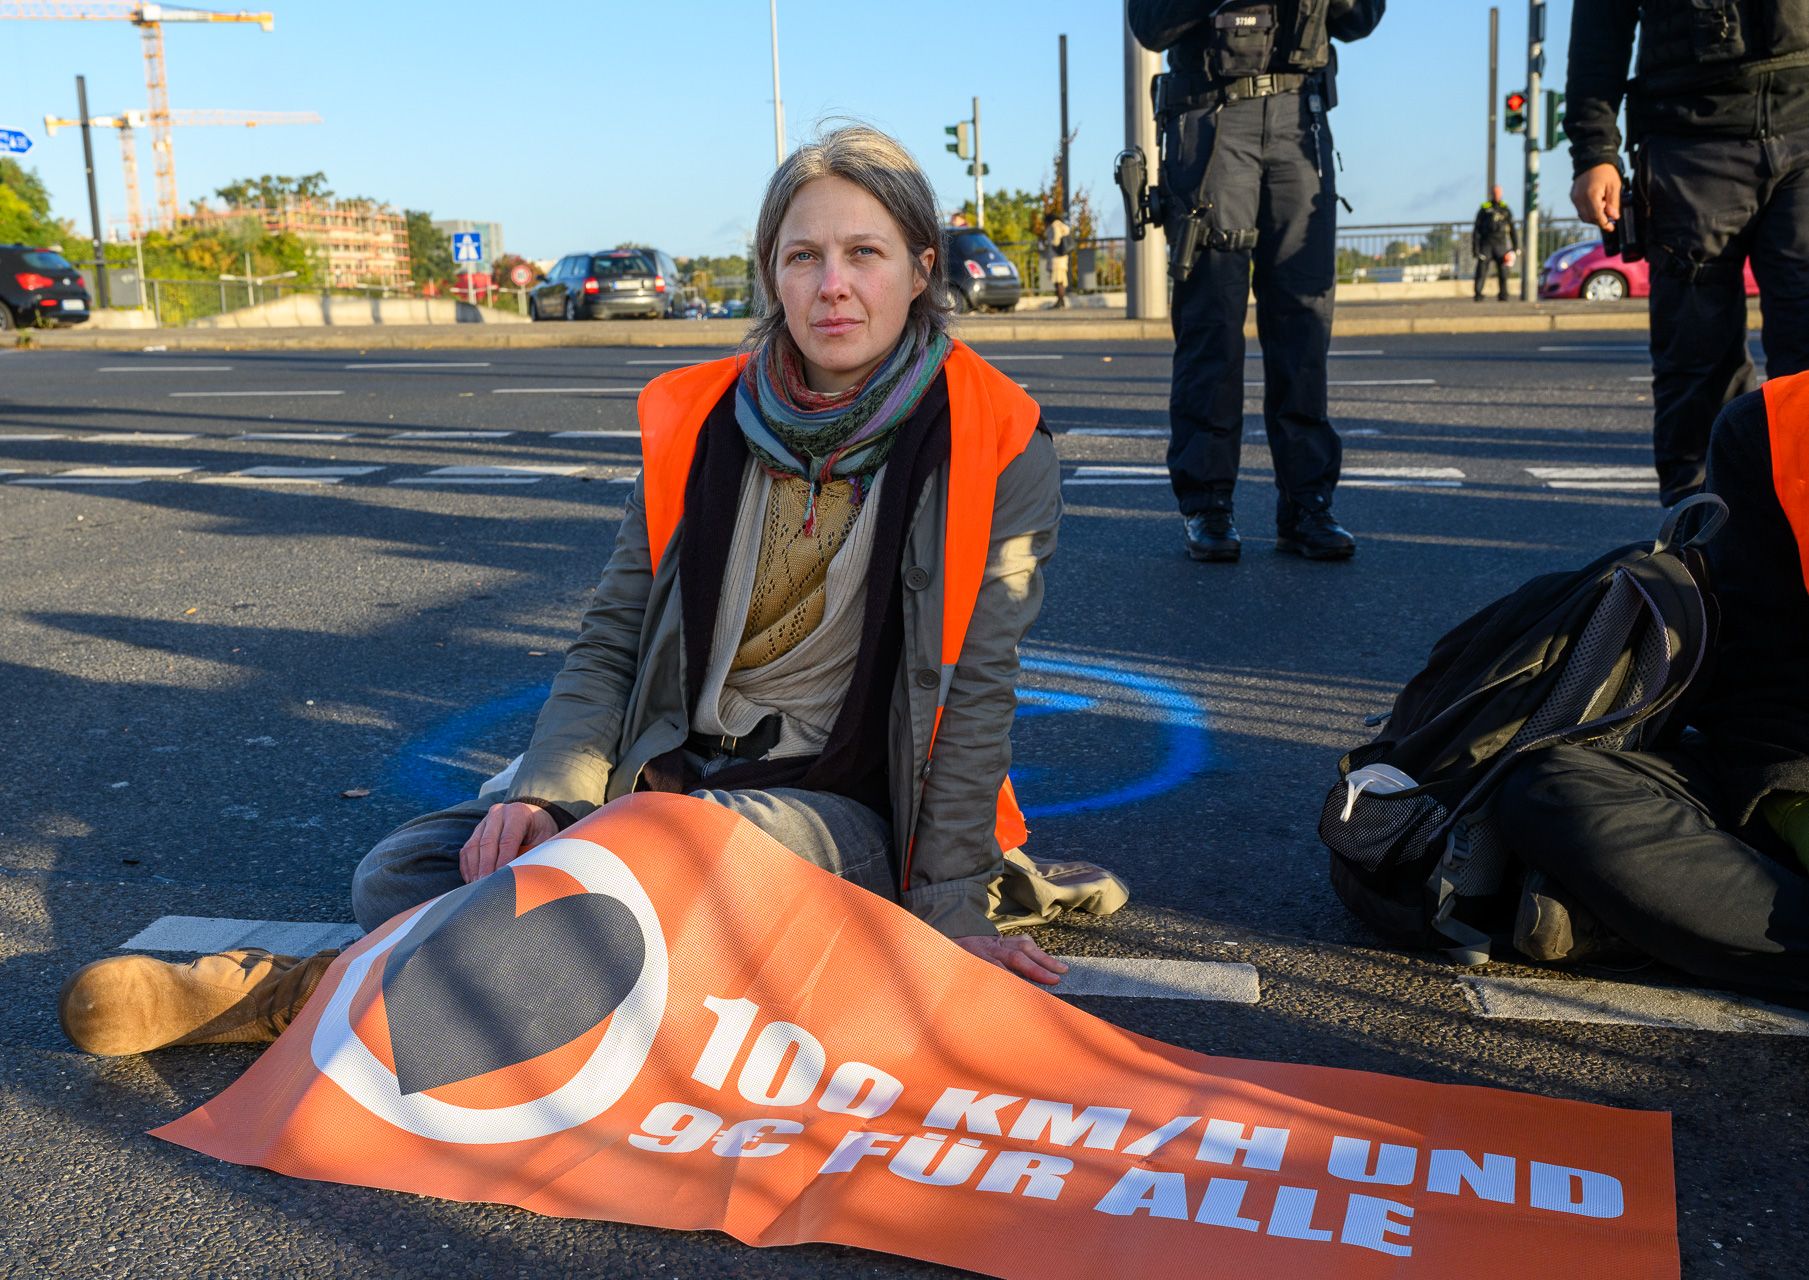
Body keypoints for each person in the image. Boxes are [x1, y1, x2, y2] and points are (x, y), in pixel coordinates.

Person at [59, 125, 1130, 1058]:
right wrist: (548, 795)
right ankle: (613, 965)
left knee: (653, 861)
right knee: (409, 866)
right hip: (667, 779)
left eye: (864, 253)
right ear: (770, 273)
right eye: (803, 256)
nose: (832, 284)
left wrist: (943, 910)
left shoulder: (993, 438)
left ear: (918, 266)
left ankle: (291, 996)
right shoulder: (705, 421)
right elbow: (612, 636)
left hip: (839, 801)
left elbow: (975, 688)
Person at [1497, 374, 1809, 992]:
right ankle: (1664, 921)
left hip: (1780, 774)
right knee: (1549, 784)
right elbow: (1755, 680)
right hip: (1784, 770)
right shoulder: (1772, 424)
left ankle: (1644, 921)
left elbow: (1747, 682)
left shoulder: (1770, 422)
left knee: (1548, 810)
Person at [1130, 0, 1386, 565]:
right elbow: (1149, 25)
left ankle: (1307, 504)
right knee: (1211, 321)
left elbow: (1362, 17)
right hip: (1211, 120)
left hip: (1301, 117)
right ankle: (1208, 504)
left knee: (1304, 317)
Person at [1568, 0, 1809, 506]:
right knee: (1697, 361)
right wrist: (1594, 152)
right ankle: (1707, 541)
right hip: (1689, 139)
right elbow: (1599, 24)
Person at [1471, 185, 1517, 302]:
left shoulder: (1505, 208)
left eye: (1498, 192)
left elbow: (1512, 229)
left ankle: (1503, 294)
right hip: (1486, 243)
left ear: (1501, 194)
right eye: (1495, 192)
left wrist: (1515, 247)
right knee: (1481, 269)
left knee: (1503, 271)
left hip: (1500, 244)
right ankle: (1478, 294)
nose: (1497, 195)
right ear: (1492, 193)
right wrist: (1475, 249)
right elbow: (1476, 230)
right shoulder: (1485, 208)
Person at [1041, 210, 1072, 309]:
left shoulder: (1055, 227)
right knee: (1060, 281)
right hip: (1062, 259)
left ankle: (1060, 301)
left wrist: (1047, 243)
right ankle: (1060, 301)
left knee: (1058, 281)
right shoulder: (1061, 226)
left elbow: (1056, 241)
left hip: (1056, 259)